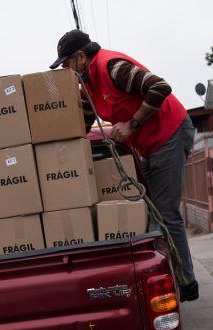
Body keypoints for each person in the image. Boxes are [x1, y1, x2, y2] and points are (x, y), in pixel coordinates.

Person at [50, 30, 198, 301]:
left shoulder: (112, 67)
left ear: (81, 57)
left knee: (165, 212)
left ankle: (187, 283)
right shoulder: (88, 88)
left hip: (170, 133)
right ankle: (172, 274)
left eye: (67, 64)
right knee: (153, 212)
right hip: (148, 145)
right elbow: (80, 127)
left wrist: (132, 124)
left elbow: (160, 87)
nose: (67, 70)